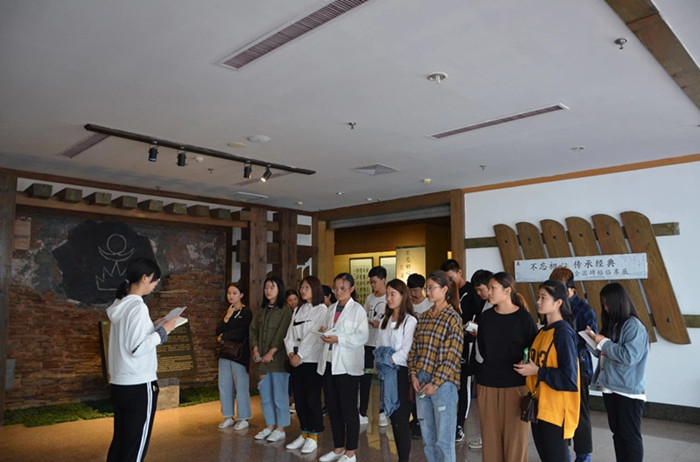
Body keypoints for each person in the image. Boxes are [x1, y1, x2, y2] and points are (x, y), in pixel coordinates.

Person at [106, 257, 177, 462]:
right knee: (135, 447)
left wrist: (152, 327)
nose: (156, 284)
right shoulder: (138, 307)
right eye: (155, 280)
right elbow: (136, 348)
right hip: (139, 384)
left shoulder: (121, 305)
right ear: (144, 278)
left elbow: (129, 339)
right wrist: (163, 331)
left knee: (121, 442)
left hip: (120, 384)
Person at [514, 280, 580, 462]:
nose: (538, 301)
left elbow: (569, 379)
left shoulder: (563, 333)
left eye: (543, 297)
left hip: (555, 411)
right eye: (538, 297)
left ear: (558, 302)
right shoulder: (543, 332)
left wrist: (537, 371)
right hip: (540, 407)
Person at [476, 272, 537, 462]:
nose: (489, 292)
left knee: (515, 442)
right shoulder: (486, 317)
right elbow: (483, 349)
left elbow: (532, 351)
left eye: (493, 288)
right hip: (487, 384)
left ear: (507, 291)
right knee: (490, 441)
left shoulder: (524, 319)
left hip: (516, 385)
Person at [586, 282, 649, 462]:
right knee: (618, 434)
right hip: (609, 386)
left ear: (618, 302)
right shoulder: (614, 324)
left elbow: (628, 356)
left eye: (607, 304)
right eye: (603, 304)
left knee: (629, 436)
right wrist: (592, 340)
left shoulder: (633, 325)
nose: (605, 308)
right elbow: (603, 353)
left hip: (627, 391)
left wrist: (603, 342)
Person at [408, 270, 463, 462]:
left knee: (444, 440)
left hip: (443, 385)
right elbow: (414, 349)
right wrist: (413, 374)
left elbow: (452, 357)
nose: (428, 292)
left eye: (431, 288)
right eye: (427, 288)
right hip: (421, 381)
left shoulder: (453, 318)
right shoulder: (423, 317)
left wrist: (436, 383)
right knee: (428, 437)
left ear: (445, 289)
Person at [317, 273, 369, 462]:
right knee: (333, 408)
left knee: (349, 409)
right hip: (330, 362)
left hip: (347, 366)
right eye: (335, 288)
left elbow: (362, 336)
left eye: (343, 288)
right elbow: (330, 330)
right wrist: (325, 332)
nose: (338, 292)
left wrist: (339, 339)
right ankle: (338, 447)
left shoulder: (358, 310)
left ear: (351, 289)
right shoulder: (331, 309)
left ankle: (351, 452)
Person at [550, 266, 598, 462]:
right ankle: (564, 453)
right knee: (560, 413)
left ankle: (583, 454)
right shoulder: (555, 306)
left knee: (580, 412)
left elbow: (592, 339)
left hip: (579, 366)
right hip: (557, 367)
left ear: (571, 288)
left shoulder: (584, 309)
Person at [440, 259, 483, 443]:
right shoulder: (447, 292)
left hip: (467, 342)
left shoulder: (472, 292)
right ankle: (447, 421)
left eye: (451, 277)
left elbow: (479, 319)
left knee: (464, 384)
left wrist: (469, 327)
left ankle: (460, 424)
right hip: (450, 344)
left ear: (459, 272)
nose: (450, 282)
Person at [283, 276, 327, 454]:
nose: (302, 290)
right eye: (301, 287)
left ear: (315, 288)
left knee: (312, 399)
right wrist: (291, 354)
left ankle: (314, 435)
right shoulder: (298, 309)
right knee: (299, 399)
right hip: (296, 361)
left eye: (306, 287)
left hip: (311, 361)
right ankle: (304, 432)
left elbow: (314, 336)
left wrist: (300, 355)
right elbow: (289, 335)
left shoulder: (321, 309)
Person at [374, 279, 417, 462]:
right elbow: (379, 345)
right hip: (387, 373)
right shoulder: (385, 320)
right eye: (387, 294)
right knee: (393, 419)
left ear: (402, 295)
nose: (389, 298)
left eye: (393, 294)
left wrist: (386, 359)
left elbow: (406, 351)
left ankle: (403, 459)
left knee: (401, 420)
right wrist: (379, 360)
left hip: (401, 373)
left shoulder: (409, 320)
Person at [250, 276, 292, 442]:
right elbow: (253, 330)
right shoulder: (261, 310)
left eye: (272, 287)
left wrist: (272, 351)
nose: (268, 290)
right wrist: (255, 348)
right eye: (266, 287)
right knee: (265, 395)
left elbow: (283, 333)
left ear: (279, 289)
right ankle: (270, 425)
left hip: (278, 360)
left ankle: (281, 428)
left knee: (279, 395)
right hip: (262, 360)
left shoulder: (285, 310)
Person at [216, 282, 253, 430]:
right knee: (224, 385)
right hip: (225, 353)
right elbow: (218, 330)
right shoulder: (229, 311)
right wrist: (227, 317)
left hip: (239, 354)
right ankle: (228, 416)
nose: (231, 296)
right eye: (229, 293)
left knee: (241, 386)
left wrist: (224, 336)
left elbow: (242, 332)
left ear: (241, 295)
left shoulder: (246, 312)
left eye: (235, 293)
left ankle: (243, 418)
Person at [466, 268, 493, 450]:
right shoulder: (485, 304)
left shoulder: (496, 305)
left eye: (480, 289)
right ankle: (486, 438)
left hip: (489, 363)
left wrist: (479, 332)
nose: (478, 293)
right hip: (480, 358)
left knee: (490, 405)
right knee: (484, 405)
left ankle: (490, 440)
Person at [360, 266, 388, 427]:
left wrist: (381, 324)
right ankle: (362, 411)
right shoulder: (369, 298)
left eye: (375, 282)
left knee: (383, 377)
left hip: (382, 344)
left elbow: (393, 320)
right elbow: (364, 316)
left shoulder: (389, 297)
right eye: (371, 282)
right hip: (368, 343)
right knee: (365, 377)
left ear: (383, 280)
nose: (373, 285)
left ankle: (383, 411)